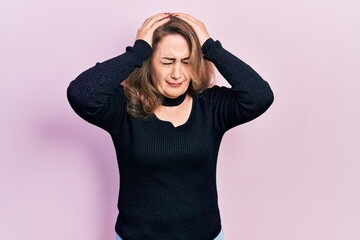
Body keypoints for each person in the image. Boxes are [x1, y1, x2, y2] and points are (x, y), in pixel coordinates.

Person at [67, 12, 274, 240]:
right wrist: (137, 52)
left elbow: (260, 96)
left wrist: (211, 47)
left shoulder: (211, 107)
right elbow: (81, 93)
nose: (177, 73)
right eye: (167, 62)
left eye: (186, 62)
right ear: (148, 63)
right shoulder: (123, 108)